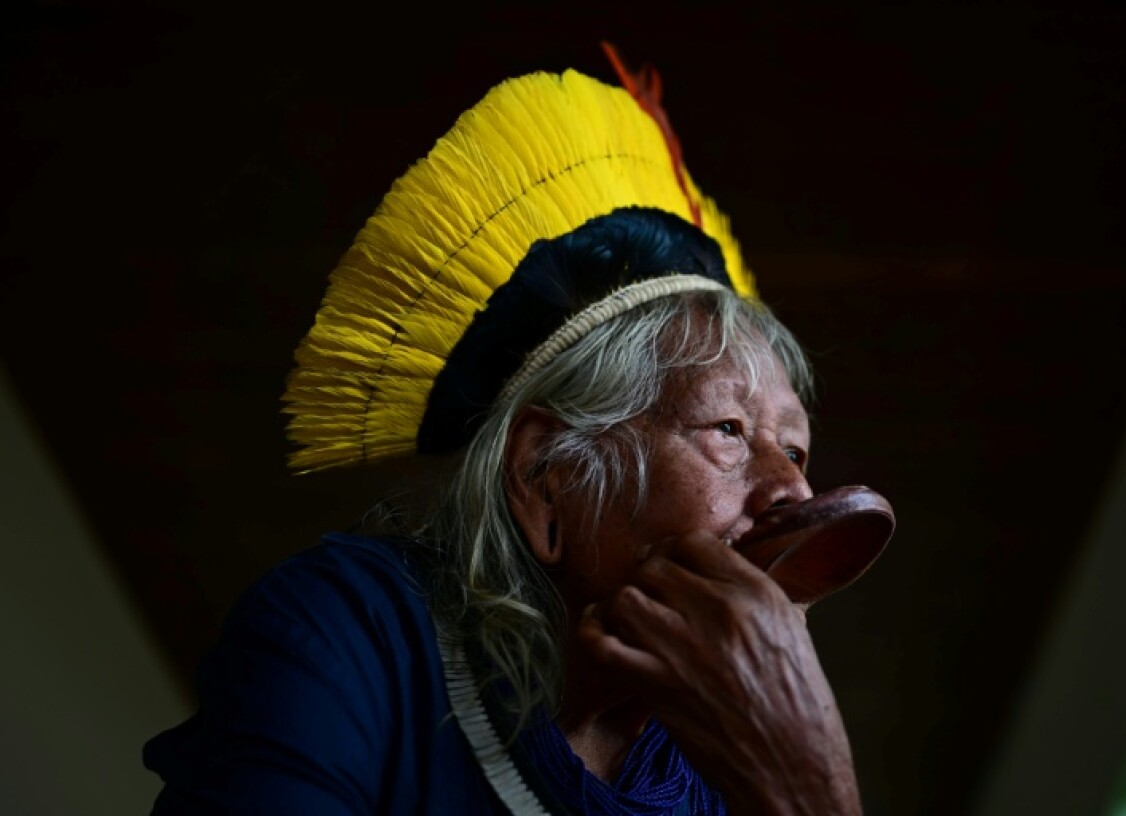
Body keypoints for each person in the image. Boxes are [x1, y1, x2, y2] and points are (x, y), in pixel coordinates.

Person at [143, 46, 887, 815]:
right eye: (729, 429)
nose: (794, 488)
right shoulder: (349, 638)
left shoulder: (727, 762)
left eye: (795, 449)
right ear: (546, 478)